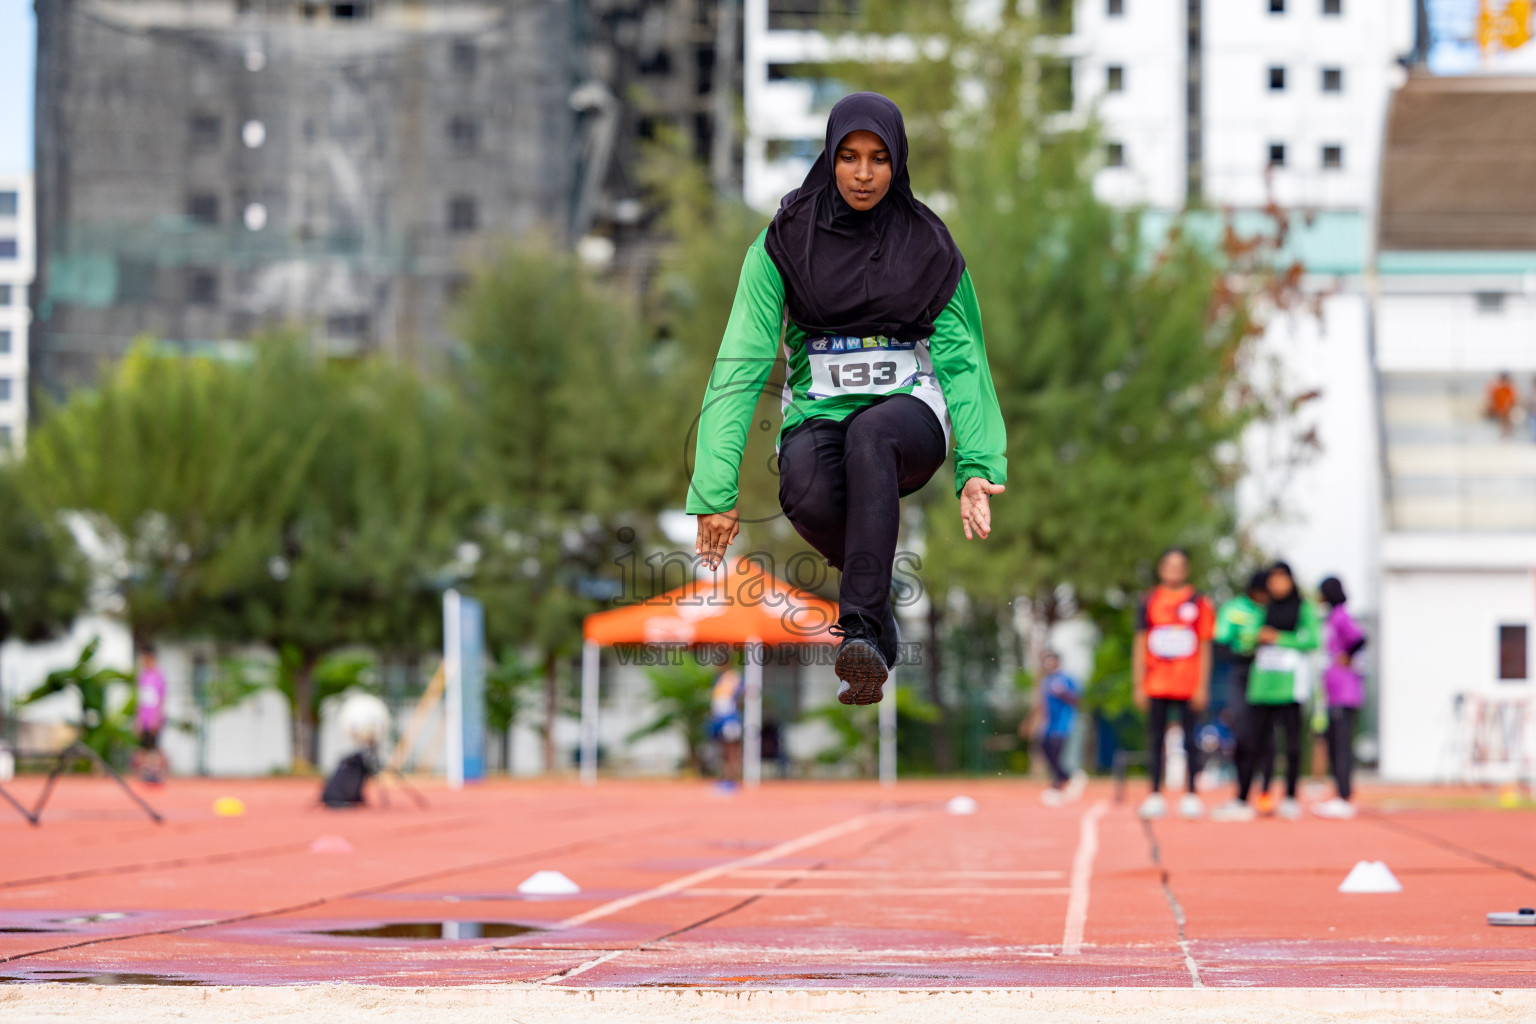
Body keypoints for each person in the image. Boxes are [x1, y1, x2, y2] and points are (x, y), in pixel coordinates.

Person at [689, 93, 1008, 706]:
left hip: (911, 411)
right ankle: (878, 607)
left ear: (899, 164)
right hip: (818, 412)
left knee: (872, 435)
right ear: (829, 158)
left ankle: (859, 631)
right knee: (802, 490)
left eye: (880, 159)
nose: (864, 174)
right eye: (850, 157)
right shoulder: (782, 244)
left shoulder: (930, 247)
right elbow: (741, 363)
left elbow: (965, 362)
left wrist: (977, 465)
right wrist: (714, 489)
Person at [1133, 548, 1215, 821]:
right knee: (1156, 740)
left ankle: (1191, 795)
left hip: (1187, 684)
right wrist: (1138, 683)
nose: (1174, 570)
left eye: (1180, 566)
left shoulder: (1199, 602)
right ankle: (1155, 794)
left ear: (1186, 570)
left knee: (1192, 740)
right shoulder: (1148, 601)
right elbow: (1139, 643)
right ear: (1161, 568)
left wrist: (1202, 685)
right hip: (1156, 683)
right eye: (1169, 565)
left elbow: (1205, 644)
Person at [1240, 562, 1319, 820]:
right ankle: (1252, 795)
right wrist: (1256, 635)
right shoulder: (1262, 608)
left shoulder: (1303, 608)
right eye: (1273, 580)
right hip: (1263, 685)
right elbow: (1245, 637)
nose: (1277, 585)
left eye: (1282, 579)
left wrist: (1279, 638)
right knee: (1258, 743)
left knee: (1293, 743)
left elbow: (1312, 640)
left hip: (1290, 686)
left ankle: (1291, 797)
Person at [1209, 571, 1269, 823]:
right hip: (1242, 675)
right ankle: (1242, 795)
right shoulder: (1234, 609)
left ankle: (1266, 795)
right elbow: (1220, 643)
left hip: (1270, 677)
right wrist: (1248, 648)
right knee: (1243, 736)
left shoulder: (1276, 610)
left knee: (1268, 738)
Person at [1314, 576, 1366, 819]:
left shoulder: (1340, 616)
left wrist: (1348, 655)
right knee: (1333, 744)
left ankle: (1345, 797)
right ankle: (1339, 794)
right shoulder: (1331, 617)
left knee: (1341, 746)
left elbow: (1360, 638)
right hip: (1334, 693)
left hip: (1345, 692)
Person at [1028, 651, 1082, 806]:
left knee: (1057, 751)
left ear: (1057, 662)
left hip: (1064, 723)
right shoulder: (1045, 681)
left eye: (1051, 661)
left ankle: (1056, 786)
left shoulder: (1067, 679)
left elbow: (1077, 700)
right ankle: (1069, 776)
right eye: (1047, 661)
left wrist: (1064, 692)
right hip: (1049, 724)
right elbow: (1042, 704)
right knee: (1044, 749)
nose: (1049, 664)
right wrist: (1034, 721)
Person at [133, 646, 167, 785]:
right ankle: (145, 773)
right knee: (143, 748)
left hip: (154, 718)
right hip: (144, 719)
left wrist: (156, 718)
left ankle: (157, 773)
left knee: (154, 748)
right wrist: (138, 719)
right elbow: (141, 701)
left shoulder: (158, 676)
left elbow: (161, 699)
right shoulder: (143, 676)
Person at [708, 666, 745, 785]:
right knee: (723, 750)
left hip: (730, 718)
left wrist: (735, 709)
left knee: (732, 748)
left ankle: (732, 778)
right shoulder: (718, 679)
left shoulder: (733, 677)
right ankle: (724, 777)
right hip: (720, 719)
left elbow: (743, 692)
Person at [1486, 371, 1518, 437]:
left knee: (1509, 419)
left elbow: (1513, 401)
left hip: (1506, 412)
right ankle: (1503, 435)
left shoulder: (1509, 389)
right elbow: (1491, 401)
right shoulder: (1496, 388)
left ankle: (1507, 435)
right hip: (1497, 411)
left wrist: (1507, 409)